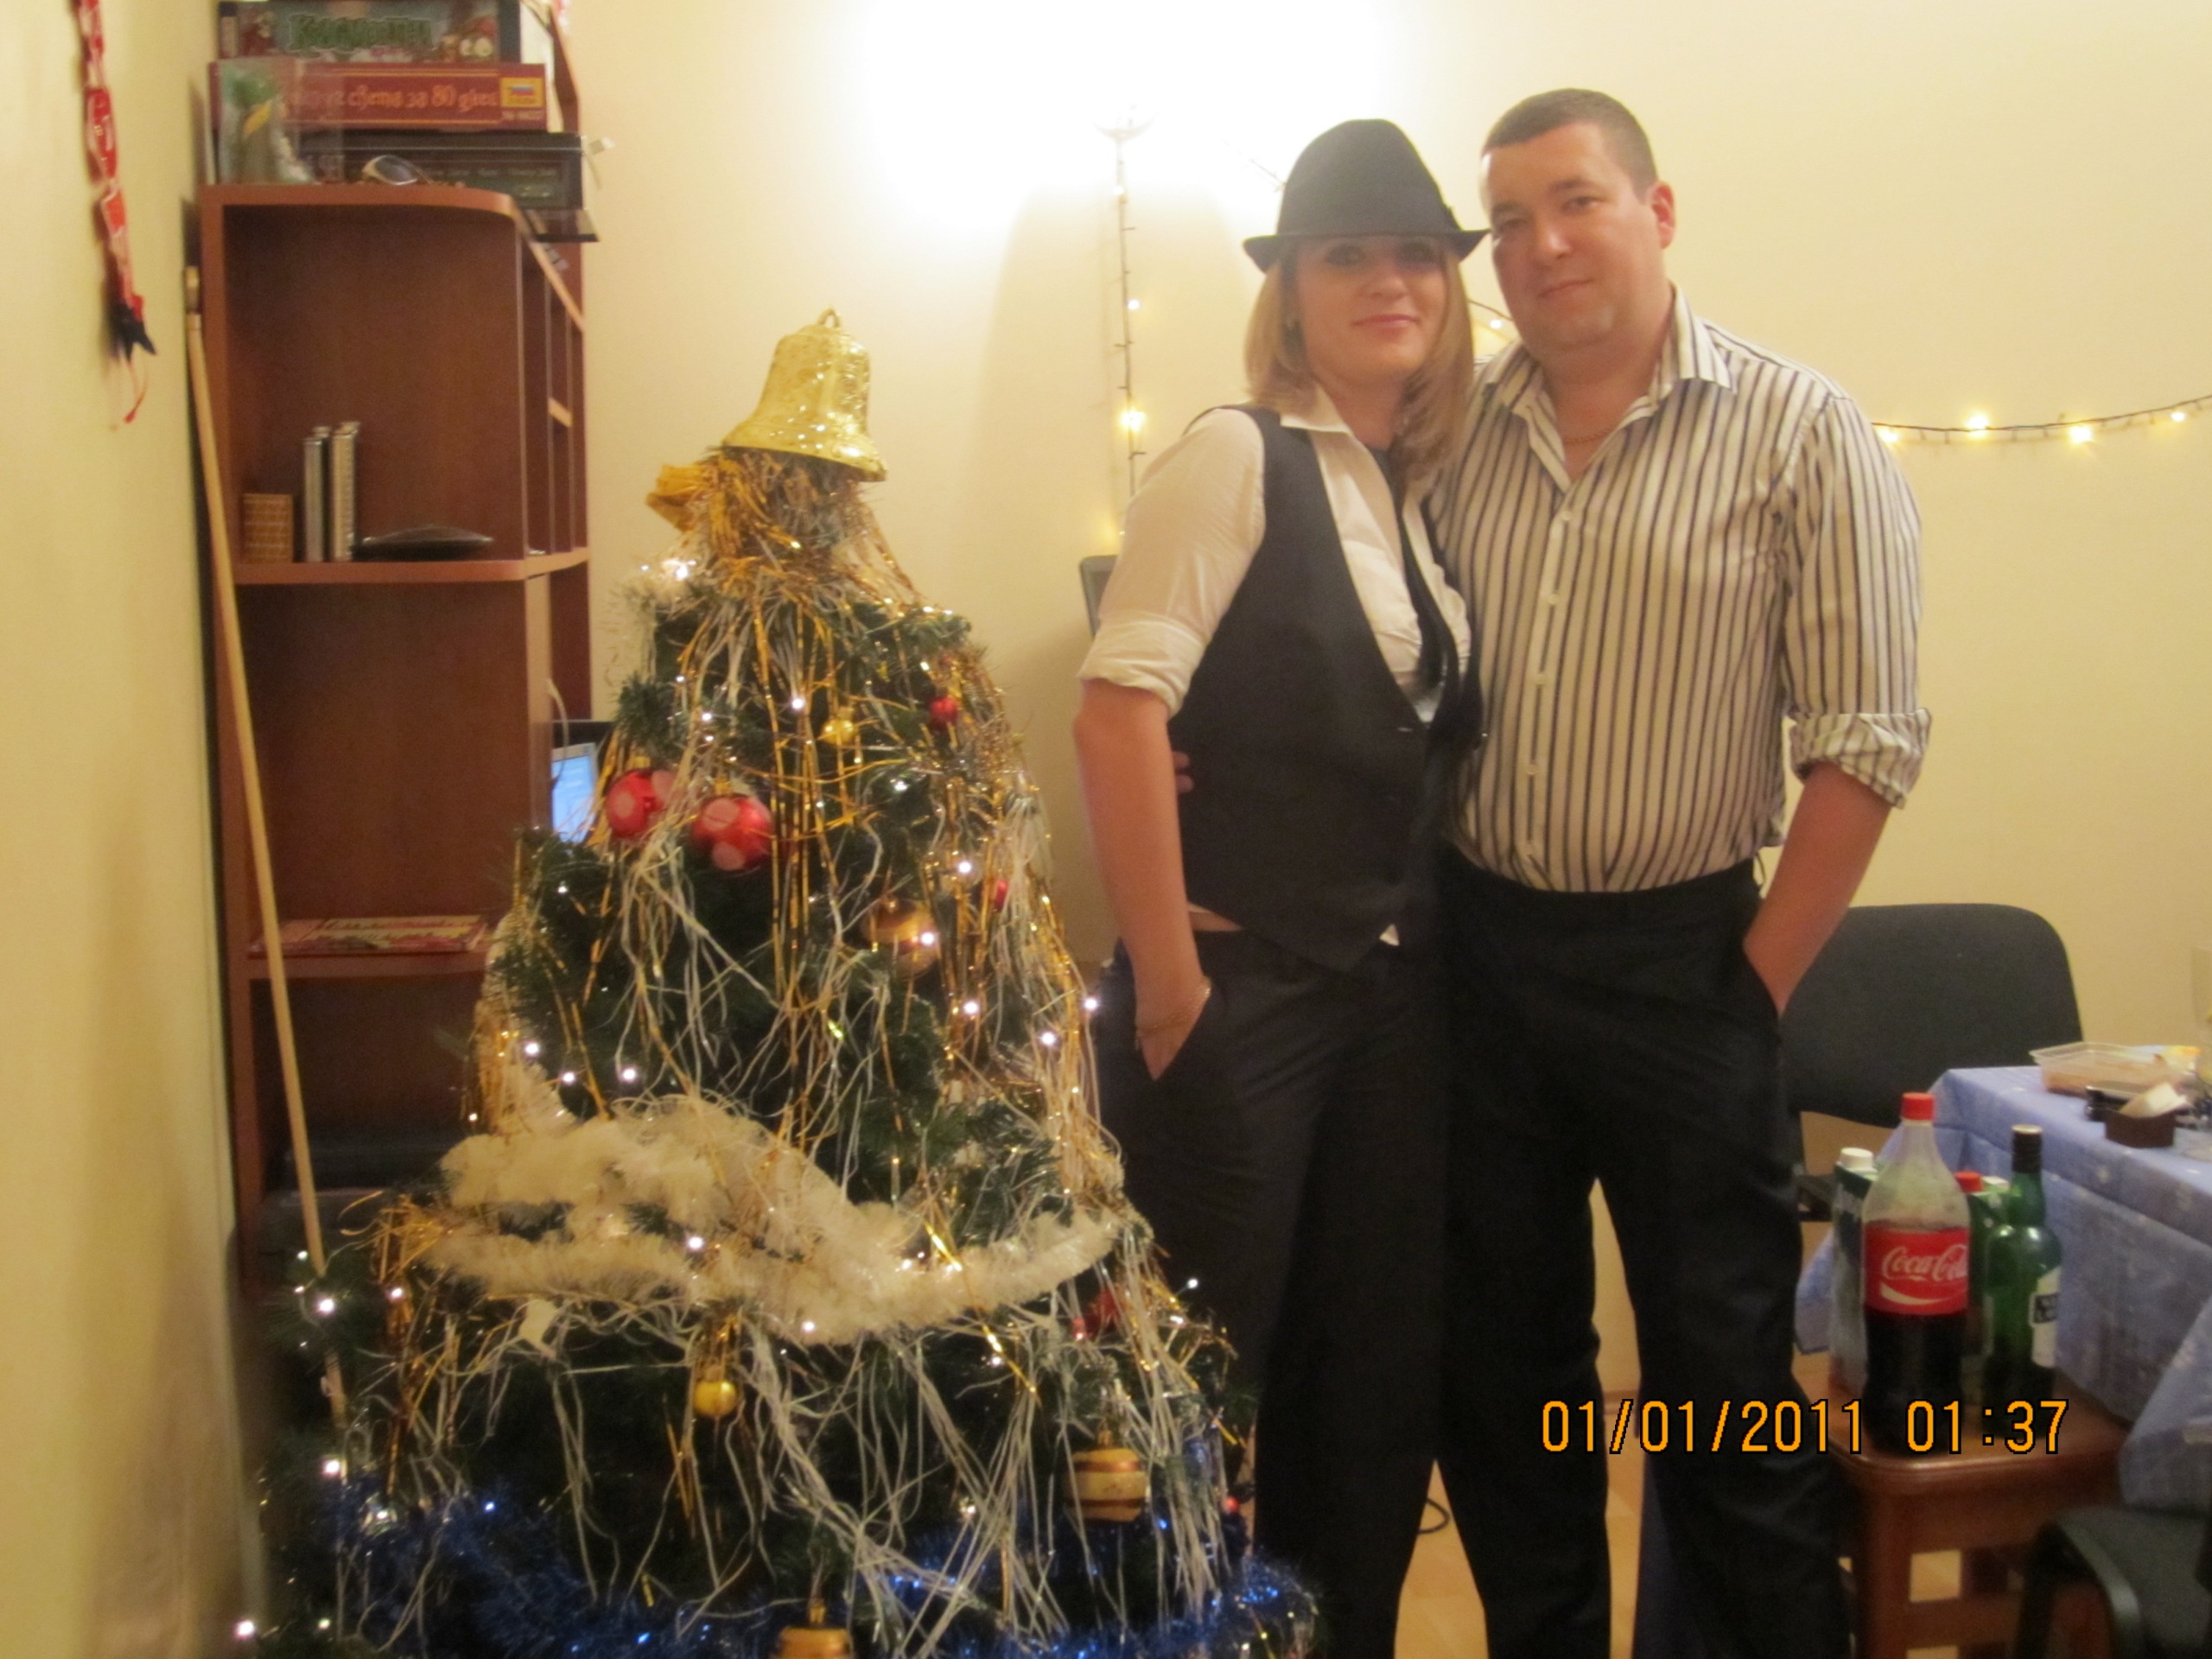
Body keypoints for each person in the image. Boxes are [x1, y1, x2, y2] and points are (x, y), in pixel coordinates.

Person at [1428, 90, 1928, 1659]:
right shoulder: (1449, 435)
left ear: (1657, 211)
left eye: (1574, 200)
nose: (1540, 244)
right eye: (1508, 221)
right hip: (1479, 967)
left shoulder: (1798, 429)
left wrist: (1748, 993)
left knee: (1726, 1405)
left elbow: (1867, 743)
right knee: (1513, 1394)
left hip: (1688, 969)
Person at [1073, 120, 1481, 1659]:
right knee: (1183, 1385)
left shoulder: (1416, 491)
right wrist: (1172, 988)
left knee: (1367, 1387)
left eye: (1417, 255)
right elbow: (1118, 711)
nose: (1390, 280)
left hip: (1389, 1003)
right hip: (1238, 999)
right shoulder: (1235, 453)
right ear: (1292, 292)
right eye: (1347, 254)